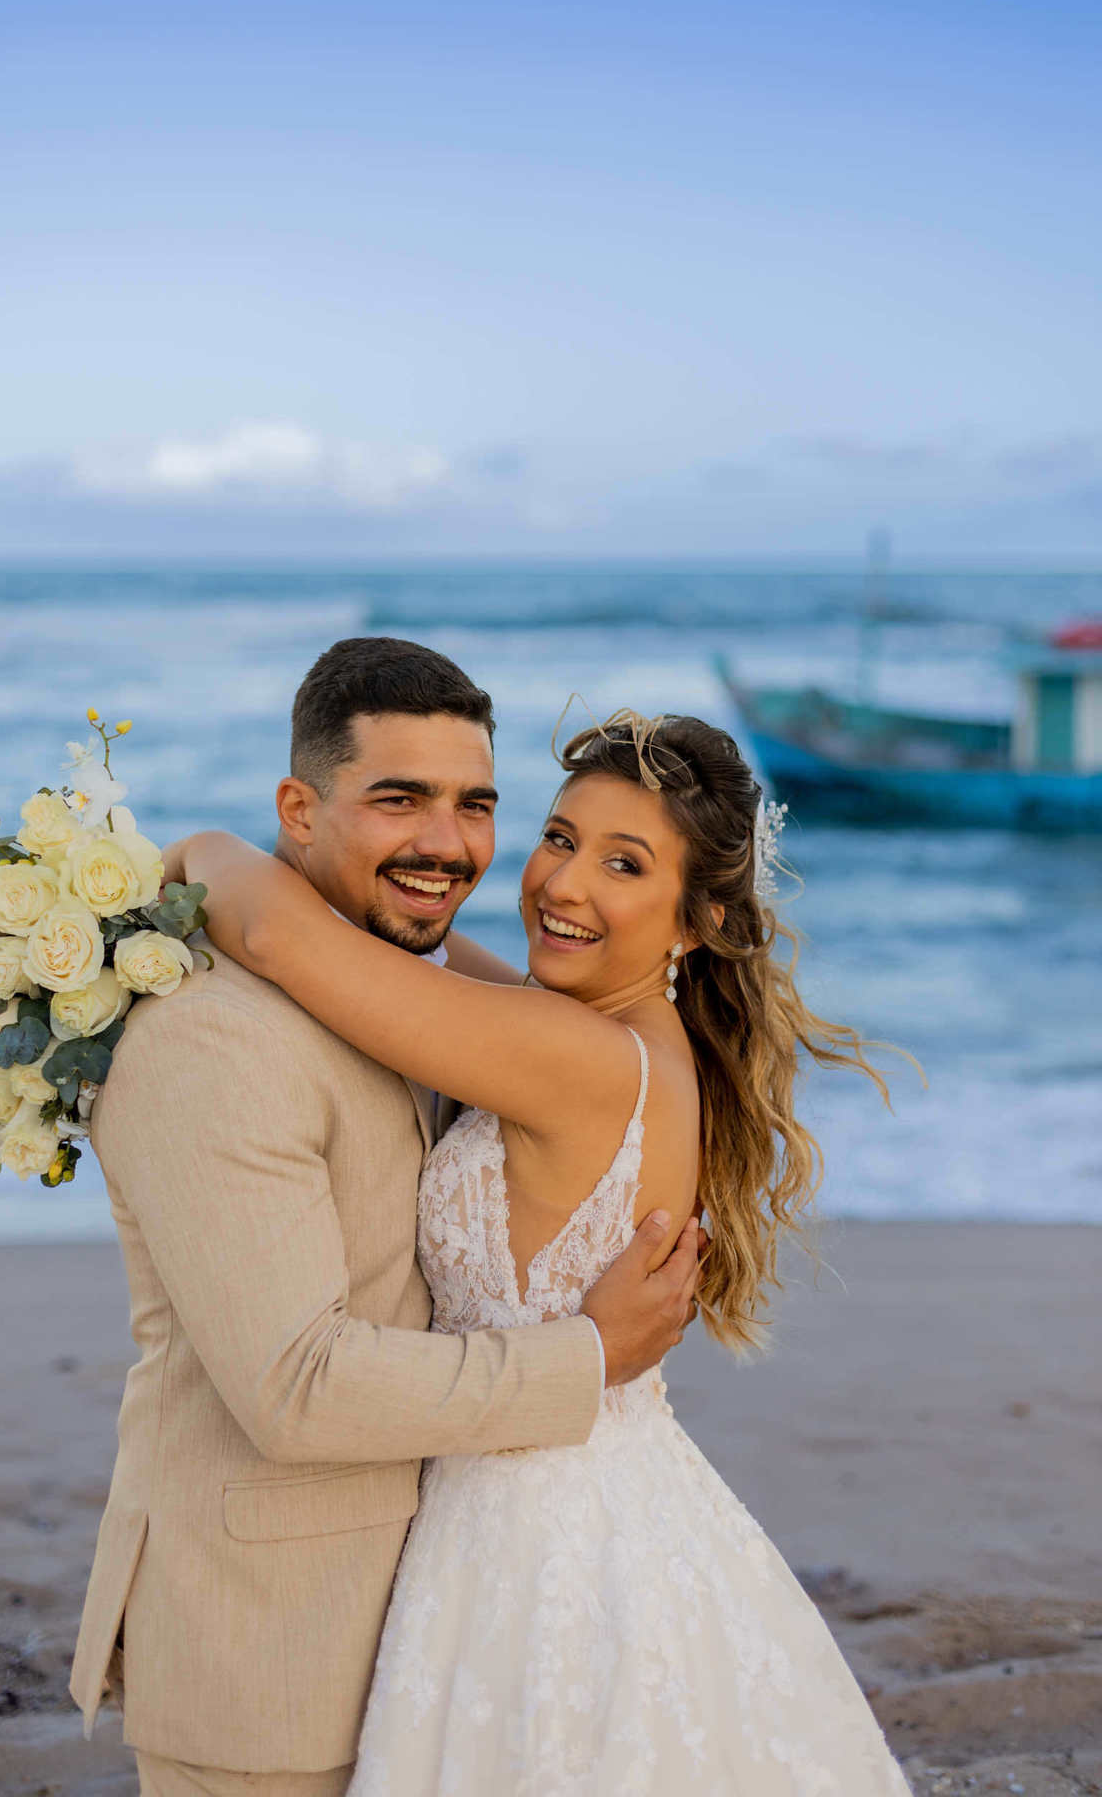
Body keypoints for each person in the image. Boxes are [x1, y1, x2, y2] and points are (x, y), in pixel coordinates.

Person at [170, 699, 912, 1796]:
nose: (562, 886)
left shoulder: (574, 1057)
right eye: (559, 839)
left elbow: (280, 938)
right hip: (601, 1494)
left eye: (624, 865)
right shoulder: (603, 1037)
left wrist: (195, 849)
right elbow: (388, 951)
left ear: (699, 919)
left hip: (539, 1534)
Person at [70, 638, 700, 1797]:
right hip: (273, 1657)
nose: (449, 845)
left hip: (458, 1618)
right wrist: (592, 1357)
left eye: (477, 807)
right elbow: (295, 1386)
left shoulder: (428, 997)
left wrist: (212, 856)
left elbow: (303, 935)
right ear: (299, 810)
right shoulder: (216, 1038)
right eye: (399, 800)